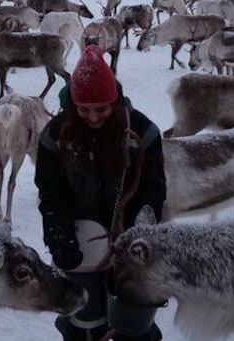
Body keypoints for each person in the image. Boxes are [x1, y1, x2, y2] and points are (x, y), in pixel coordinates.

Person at [35, 45, 166, 341]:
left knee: (133, 324)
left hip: (129, 242)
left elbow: (153, 190)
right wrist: (58, 233)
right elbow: (51, 192)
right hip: (82, 242)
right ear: (73, 106)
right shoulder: (55, 137)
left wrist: (141, 231)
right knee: (82, 319)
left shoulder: (142, 134)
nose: (93, 117)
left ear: (115, 102)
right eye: (84, 110)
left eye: (102, 109)